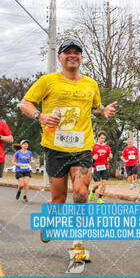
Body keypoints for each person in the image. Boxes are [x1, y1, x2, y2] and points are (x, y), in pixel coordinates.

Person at [19, 38, 117, 260]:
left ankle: (78, 245)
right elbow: (25, 103)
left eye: (77, 52)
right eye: (67, 52)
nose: (72, 55)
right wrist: (40, 115)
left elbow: (96, 107)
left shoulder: (90, 84)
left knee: (81, 193)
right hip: (55, 147)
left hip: (82, 148)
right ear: (60, 57)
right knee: (59, 199)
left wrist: (104, 111)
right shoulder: (48, 81)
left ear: (81, 58)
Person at [89, 131, 112, 203]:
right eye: (101, 138)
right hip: (96, 167)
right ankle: (92, 192)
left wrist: (111, 156)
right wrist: (92, 157)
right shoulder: (93, 146)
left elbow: (110, 155)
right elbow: (88, 157)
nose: (103, 140)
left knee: (104, 183)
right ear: (98, 137)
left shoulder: (107, 147)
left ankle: (99, 198)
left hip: (105, 166)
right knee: (97, 184)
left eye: (104, 138)